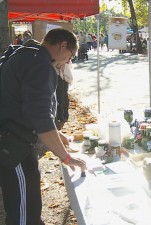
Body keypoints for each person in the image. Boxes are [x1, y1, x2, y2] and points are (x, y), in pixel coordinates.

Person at [0, 28, 87, 225]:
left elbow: (28, 107)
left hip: (15, 142)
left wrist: (56, 134)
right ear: (63, 46)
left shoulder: (28, 54)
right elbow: (39, 116)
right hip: (15, 148)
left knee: (29, 207)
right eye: (71, 56)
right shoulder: (40, 64)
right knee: (22, 213)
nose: (68, 62)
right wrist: (66, 157)